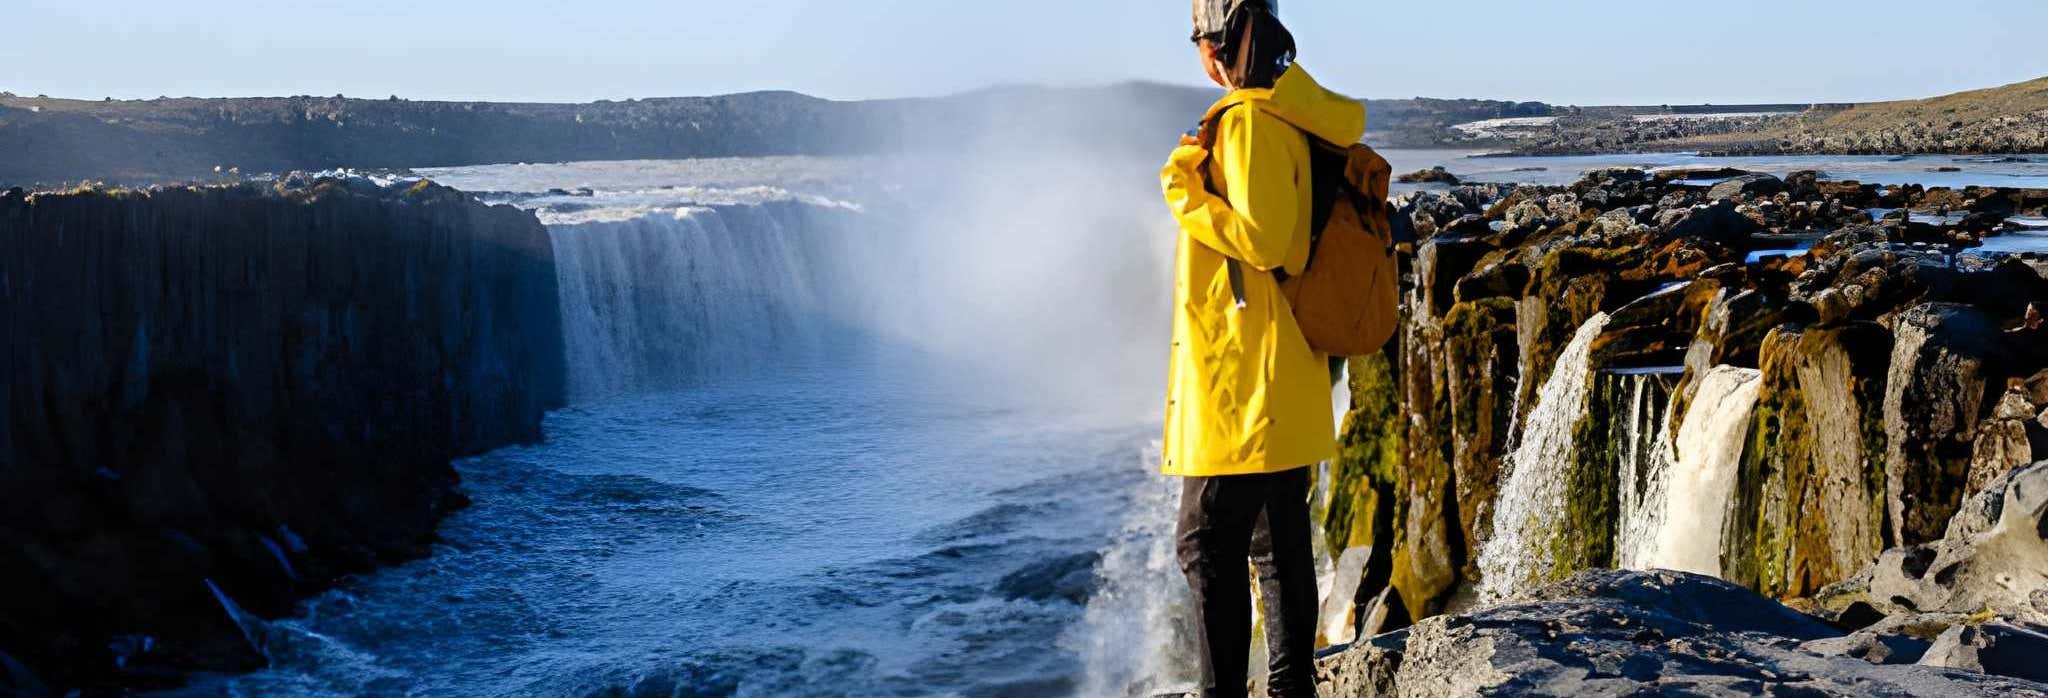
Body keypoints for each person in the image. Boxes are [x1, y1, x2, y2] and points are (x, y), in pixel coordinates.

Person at [1159, 1, 1365, 696]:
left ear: (1218, 42)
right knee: (1277, 543)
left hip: (1246, 380)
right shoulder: (1290, 114)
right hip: (1283, 368)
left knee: (1205, 545)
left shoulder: (1246, 121)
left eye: (1196, 36)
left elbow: (1267, 238)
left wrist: (1184, 190)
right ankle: (1289, 690)